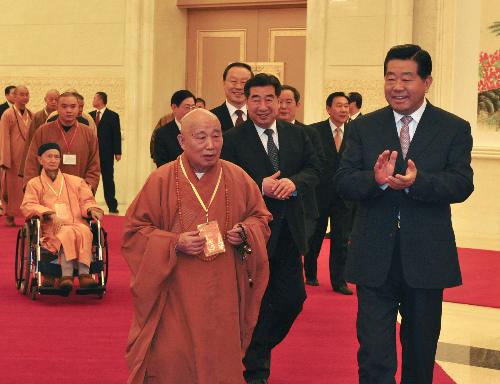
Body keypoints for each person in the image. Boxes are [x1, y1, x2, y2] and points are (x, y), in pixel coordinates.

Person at [335, 44, 474, 383]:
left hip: (426, 256)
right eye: (390, 77)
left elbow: (461, 184)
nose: (397, 86)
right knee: (374, 355)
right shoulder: (364, 127)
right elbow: (343, 182)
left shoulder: (453, 128)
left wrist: (418, 182)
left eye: (407, 79)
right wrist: (376, 180)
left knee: (420, 354)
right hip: (373, 255)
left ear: (427, 81)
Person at [122, 108, 271, 383]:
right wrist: (173, 242)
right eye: (200, 137)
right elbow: (134, 232)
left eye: (216, 136)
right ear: (182, 141)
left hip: (223, 288)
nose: (210, 145)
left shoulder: (237, 177)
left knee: (219, 357)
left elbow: (261, 218)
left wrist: (245, 231)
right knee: (172, 356)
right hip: (175, 288)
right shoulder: (162, 179)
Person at [222, 73, 320, 384]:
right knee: (256, 303)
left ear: (279, 101)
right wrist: (257, 185)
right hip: (251, 236)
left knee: (292, 300)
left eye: (269, 99)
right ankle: (256, 370)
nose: (262, 106)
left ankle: (255, 348)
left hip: (290, 233)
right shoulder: (232, 139)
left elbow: (316, 169)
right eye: (255, 99)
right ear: (245, 102)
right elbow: (223, 181)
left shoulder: (297, 135)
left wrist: (295, 182)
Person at [21, 143, 103, 290]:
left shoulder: (75, 181)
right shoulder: (34, 184)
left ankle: (85, 275)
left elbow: (86, 201)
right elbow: (28, 205)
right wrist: (49, 213)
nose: (53, 160)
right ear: (40, 160)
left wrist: (91, 210)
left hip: (76, 223)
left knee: (85, 231)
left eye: (57, 157)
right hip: (51, 228)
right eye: (49, 156)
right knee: (67, 233)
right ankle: (67, 276)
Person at [305, 91, 353, 294]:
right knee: (315, 236)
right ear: (328, 108)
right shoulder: (314, 131)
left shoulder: (355, 131)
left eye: (346, 106)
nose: (343, 110)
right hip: (320, 194)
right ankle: (310, 272)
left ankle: (339, 281)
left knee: (341, 239)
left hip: (345, 196)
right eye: (339, 105)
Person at [23, 92, 100, 193]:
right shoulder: (43, 131)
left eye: (73, 107)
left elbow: (94, 164)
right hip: (48, 191)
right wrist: (32, 186)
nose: (69, 110)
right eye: (64, 106)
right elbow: (32, 162)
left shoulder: (88, 133)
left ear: (78, 109)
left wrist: (88, 185)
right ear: (57, 108)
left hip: (79, 190)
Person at [278, 84, 325, 243]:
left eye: (288, 102)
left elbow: (318, 166)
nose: (283, 106)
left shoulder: (309, 133)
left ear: (297, 104)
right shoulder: (265, 134)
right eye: (279, 101)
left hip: (303, 205)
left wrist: (294, 183)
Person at [0, 85, 33, 226]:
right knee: (11, 189)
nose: (24, 97)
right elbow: (4, 137)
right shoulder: (7, 114)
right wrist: (4, 160)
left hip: (26, 159)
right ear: (15, 96)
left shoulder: (31, 114)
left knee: (26, 189)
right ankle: (10, 216)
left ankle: (28, 215)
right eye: (21, 94)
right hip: (12, 159)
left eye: (27, 94)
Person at [89, 91, 122, 214]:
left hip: (106, 155)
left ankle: (112, 206)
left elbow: (116, 134)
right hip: (91, 155)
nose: (92, 100)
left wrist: (117, 152)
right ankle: (88, 203)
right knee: (90, 180)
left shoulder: (113, 116)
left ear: (101, 100)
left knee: (108, 180)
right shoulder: (89, 115)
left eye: (94, 98)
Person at [152, 89, 195, 167]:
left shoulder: (200, 130)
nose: (191, 111)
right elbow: (161, 164)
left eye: (193, 107)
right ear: (174, 107)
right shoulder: (162, 133)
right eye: (187, 107)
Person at [211, 62, 254, 131]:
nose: (238, 87)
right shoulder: (211, 117)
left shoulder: (258, 117)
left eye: (244, 82)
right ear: (224, 83)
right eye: (233, 81)